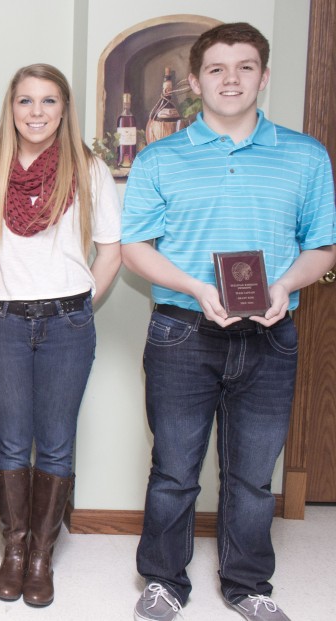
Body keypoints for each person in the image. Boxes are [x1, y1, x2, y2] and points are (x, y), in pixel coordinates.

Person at [124, 23, 335, 621]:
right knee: (174, 469)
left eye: (245, 67)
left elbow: (323, 246)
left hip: (271, 334)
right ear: (195, 81)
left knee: (252, 477)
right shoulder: (160, 157)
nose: (231, 79)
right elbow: (136, 245)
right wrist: (194, 285)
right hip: (182, 331)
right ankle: (165, 580)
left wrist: (285, 285)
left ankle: (247, 585)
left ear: (264, 77)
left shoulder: (305, 155)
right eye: (217, 68)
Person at [0, 63, 121, 608]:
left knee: (55, 441)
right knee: (10, 440)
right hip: (1, 323)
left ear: (64, 108)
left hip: (67, 324)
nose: (36, 113)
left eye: (49, 101)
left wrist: (79, 303)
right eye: (26, 101)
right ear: (11, 107)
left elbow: (111, 249)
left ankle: (40, 555)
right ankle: (14, 548)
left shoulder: (89, 168)